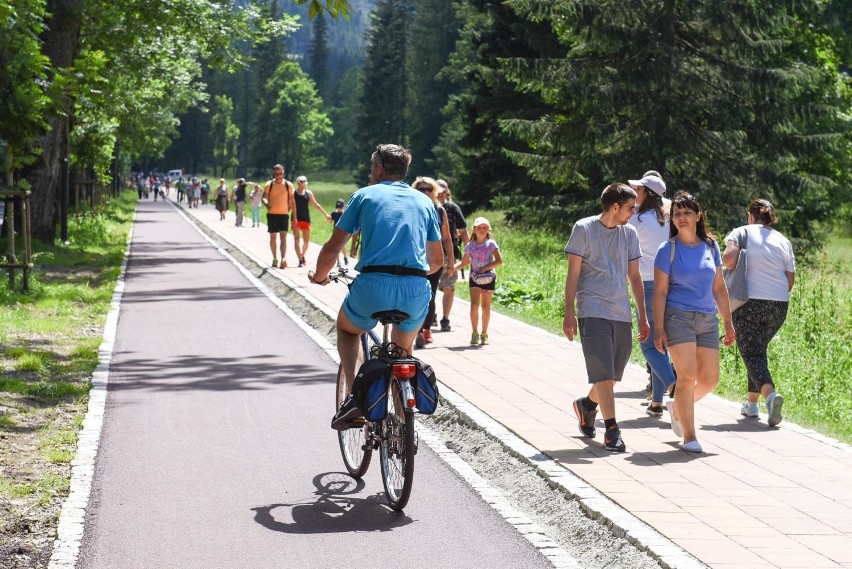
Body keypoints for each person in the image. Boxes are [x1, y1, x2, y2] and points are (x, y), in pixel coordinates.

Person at [309, 144, 443, 421]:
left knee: (347, 330)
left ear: (379, 168)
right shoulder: (425, 202)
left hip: (373, 285)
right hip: (416, 289)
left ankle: (357, 396)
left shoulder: (364, 196)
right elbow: (437, 261)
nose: (371, 172)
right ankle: (404, 422)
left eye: (372, 167)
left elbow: (333, 248)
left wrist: (320, 277)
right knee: (403, 351)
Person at [565, 183, 649, 453]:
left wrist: (643, 316)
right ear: (615, 207)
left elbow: (634, 276)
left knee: (610, 376)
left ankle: (587, 406)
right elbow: (573, 274)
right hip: (591, 309)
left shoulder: (629, 234)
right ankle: (612, 430)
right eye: (629, 208)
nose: (633, 213)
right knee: (602, 372)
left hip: (620, 312)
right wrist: (569, 312)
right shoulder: (584, 229)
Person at [653, 191, 736, 453]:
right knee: (687, 377)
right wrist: (658, 327)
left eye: (687, 212)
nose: (682, 217)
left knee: (710, 380)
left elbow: (720, 288)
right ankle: (689, 436)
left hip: (707, 318)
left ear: (698, 215)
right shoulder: (667, 249)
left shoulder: (711, 246)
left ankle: (678, 405)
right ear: (673, 220)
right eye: (677, 213)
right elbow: (660, 292)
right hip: (678, 317)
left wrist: (728, 322)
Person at [722, 198, 795, 426]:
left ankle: (770, 397)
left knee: (751, 353)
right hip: (779, 305)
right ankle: (751, 405)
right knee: (756, 350)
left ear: (750, 216)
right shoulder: (783, 240)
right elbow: (790, 280)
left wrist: (722, 263)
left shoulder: (741, 232)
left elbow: (730, 259)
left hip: (749, 302)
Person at [628, 171, 677, 416]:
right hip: (669, 284)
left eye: (638, 190)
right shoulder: (669, 220)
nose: (635, 194)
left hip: (646, 285)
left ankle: (673, 386)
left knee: (647, 344)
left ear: (647, 193)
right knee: (661, 342)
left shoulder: (636, 221)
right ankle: (657, 401)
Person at [411, 177, 455, 347]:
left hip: (435, 259)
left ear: (435, 191)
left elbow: (446, 238)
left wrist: (450, 260)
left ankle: (425, 328)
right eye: (421, 189)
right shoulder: (411, 208)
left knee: (430, 294)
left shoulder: (439, 210)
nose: (425, 192)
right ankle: (416, 328)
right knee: (415, 293)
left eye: (429, 189)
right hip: (415, 258)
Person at [454, 217, 502, 345]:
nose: (482, 230)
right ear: (474, 230)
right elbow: (464, 262)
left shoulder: (491, 244)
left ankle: (484, 333)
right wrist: (452, 268)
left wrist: (484, 268)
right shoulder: (470, 246)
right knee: (474, 306)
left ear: (488, 230)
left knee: (486, 307)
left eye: (485, 228)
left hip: (488, 278)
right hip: (474, 279)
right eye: (479, 228)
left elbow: (499, 261)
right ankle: (474, 332)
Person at [436, 180, 469, 332]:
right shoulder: (428, 206)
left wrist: (469, 252)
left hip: (449, 254)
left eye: (443, 189)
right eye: (438, 189)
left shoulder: (453, 208)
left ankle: (445, 318)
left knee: (449, 286)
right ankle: (431, 315)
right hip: (430, 253)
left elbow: (463, 231)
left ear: (447, 191)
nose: (440, 192)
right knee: (431, 286)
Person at [291, 175, 332, 267]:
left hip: (306, 218)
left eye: (305, 182)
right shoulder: (293, 193)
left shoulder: (308, 193)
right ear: (298, 183)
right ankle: (300, 260)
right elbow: (291, 206)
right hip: (295, 219)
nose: (304, 184)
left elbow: (316, 205)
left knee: (306, 241)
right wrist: (293, 219)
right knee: (296, 239)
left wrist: (325, 214)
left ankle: (302, 255)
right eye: (302, 182)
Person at [262, 164, 296, 268]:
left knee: (283, 237)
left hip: (284, 215)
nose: (278, 176)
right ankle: (275, 258)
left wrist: (293, 216)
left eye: (280, 173)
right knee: (273, 237)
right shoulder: (269, 184)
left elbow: (292, 200)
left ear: (283, 172)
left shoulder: (288, 185)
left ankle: (283, 258)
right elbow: (264, 197)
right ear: (274, 173)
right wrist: (266, 203)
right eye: (277, 174)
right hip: (272, 214)